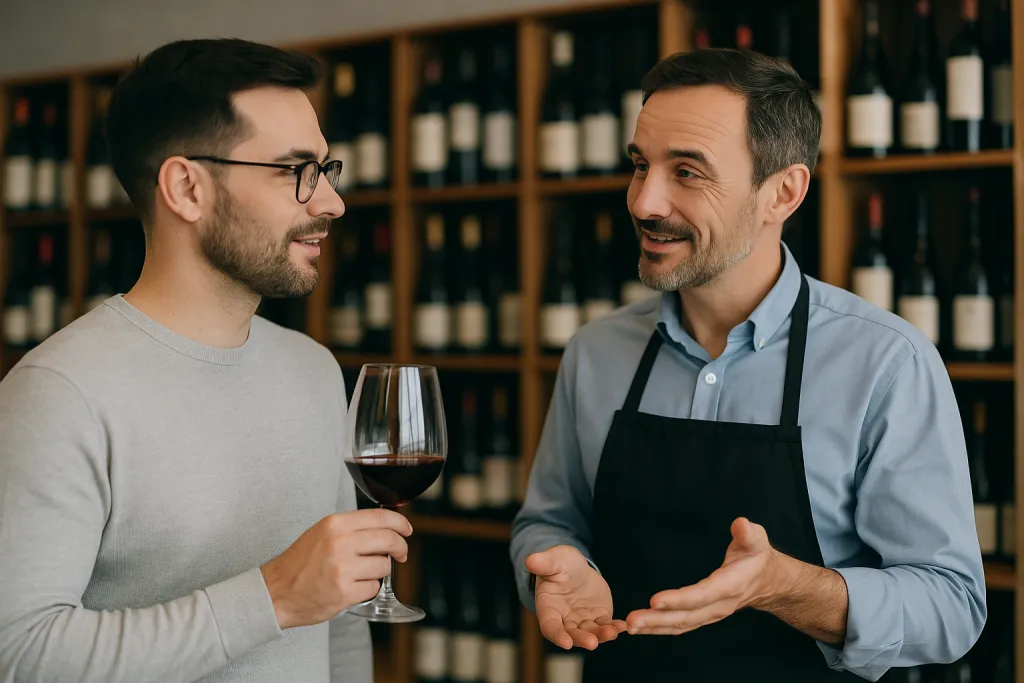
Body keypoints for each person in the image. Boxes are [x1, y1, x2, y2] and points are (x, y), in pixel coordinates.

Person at [510, 48, 987, 682]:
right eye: (640, 165)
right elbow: (548, 521)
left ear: (782, 193)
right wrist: (555, 562)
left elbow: (952, 607)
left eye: (687, 172)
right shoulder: (596, 352)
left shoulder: (885, 363)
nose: (644, 201)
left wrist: (785, 586)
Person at [0, 38, 410, 683]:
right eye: (292, 170)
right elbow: (19, 655)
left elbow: (339, 619)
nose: (330, 202)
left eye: (327, 170)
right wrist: (271, 598)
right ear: (187, 188)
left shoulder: (314, 371)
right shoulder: (58, 393)